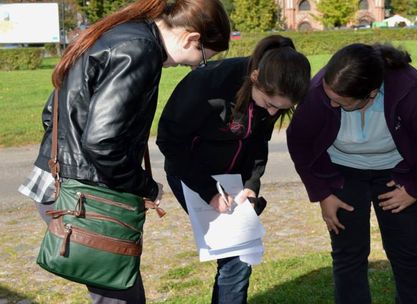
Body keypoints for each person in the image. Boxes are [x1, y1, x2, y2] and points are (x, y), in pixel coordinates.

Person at [18, 0, 230, 303]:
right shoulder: (139, 50)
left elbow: (53, 111)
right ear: (191, 38)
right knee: (121, 294)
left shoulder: (122, 33)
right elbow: (102, 143)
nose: (195, 66)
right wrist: (145, 185)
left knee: (118, 290)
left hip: (63, 182)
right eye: (201, 59)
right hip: (85, 195)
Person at [287, 43, 417, 303]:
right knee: (348, 255)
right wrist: (323, 193)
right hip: (342, 174)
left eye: (340, 102)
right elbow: (299, 142)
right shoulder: (321, 88)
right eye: (329, 95)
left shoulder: (408, 87)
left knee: (406, 253)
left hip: (396, 174)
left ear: (371, 94)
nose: (329, 102)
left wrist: (414, 189)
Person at [157, 35, 311, 304]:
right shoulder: (207, 85)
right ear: (255, 77)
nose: (273, 113)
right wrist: (209, 192)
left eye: (282, 109)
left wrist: (251, 185)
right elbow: (170, 141)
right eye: (270, 104)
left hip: (233, 180)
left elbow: (257, 144)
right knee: (235, 255)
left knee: (241, 254)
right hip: (191, 172)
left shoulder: (270, 96)